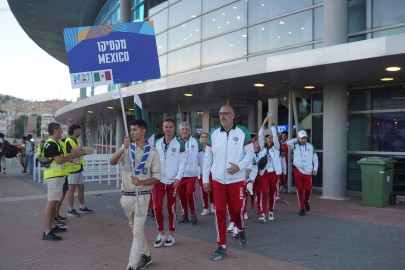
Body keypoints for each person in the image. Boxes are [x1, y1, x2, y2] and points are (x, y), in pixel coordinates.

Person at [203, 105, 254, 261]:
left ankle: (241, 228)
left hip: (236, 180)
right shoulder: (213, 133)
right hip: (218, 180)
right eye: (220, 114)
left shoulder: (243, 132)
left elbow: (250, 153)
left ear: (233, 116)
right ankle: (222, 246)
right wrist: (205, 179)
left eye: (226, 114)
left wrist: (239, 166)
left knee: (236, 210)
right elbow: (207, 157)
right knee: (219, 210)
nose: (222, 116)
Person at [110, 119, 161, 270]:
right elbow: (111, 162)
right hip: (126, 196)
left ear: (143, 131)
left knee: (137, 230)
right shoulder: (126, 148)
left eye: (134, 130)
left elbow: (157, 178)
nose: (131, 133)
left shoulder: (153, 153)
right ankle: (146, 254)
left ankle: (131, 265)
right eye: (130, 130)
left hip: (142, 196)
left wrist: (142, 183)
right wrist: (123, 148)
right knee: (134, 228)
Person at [41, 122, 81, 241]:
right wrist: (72, 156)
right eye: (59, 130)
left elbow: (63, 158)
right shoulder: (51, 144)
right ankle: (47, 231)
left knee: (54, 202)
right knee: (51, 203)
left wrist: (71, 157)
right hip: (53, 177)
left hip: (58, 176)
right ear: (54, 131)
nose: (61, 132)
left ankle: (52, 226)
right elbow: (59, 160)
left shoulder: (57, 143)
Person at [153, 118, 185, 248]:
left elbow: (183, 162)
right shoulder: (157, 143)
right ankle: (160, 233)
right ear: (163, 128)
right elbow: (154, 160)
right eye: (166, 127)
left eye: (170, 127)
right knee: (157, 207)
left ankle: (171, 235)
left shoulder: (179, 144)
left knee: (171, 208)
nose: (168, 129)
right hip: (159, 180)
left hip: (172, 181)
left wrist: (178, 177)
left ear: (174, 129)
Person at [286, 130, 319, 216]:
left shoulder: (310, 146)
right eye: (302, 138)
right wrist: (295, 139)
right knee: (299, 189)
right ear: (299, 138)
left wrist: (315, 169)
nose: (304, 140)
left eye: (305, 138)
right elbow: (288, 143)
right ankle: (302, 208)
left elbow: (315, 158)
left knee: (308, 189)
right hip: (297, 169)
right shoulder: (295, 145)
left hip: (308, 171)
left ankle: (306, 201)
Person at [177, 122, 203, 225]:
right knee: (181, 196)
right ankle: (185, 216)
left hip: (192, 174)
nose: (185, 131)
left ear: (190, 131)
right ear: (179, 131)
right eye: (183, 129)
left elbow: (201, 158)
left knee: (189, 193)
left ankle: (193, 214)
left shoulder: (196, 141)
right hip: (179, 175)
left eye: (187, 129)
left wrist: (201, 173)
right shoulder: (175, 142)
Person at [257, 115, 282, 222]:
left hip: (274, 174)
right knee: (265, 193)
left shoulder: (276, 148)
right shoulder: (262, 148)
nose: (269, 139)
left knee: (272, 193)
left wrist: (271, 123)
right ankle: (263, 214)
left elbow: (276, 136)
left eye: (271, 137)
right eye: (267, 137)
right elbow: (259, 134)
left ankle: (271, 212)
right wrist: (264, 122)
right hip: (264, 173)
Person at [65, 124, 93, 217]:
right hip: (72, 168)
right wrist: (83, 152)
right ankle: (70, 209)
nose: (80, 132)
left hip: (79, 167)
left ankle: (82, 207)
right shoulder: (69, 141)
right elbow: (71, 155)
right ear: (74, 131)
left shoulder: (76, 140)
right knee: (71, 189)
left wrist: (81, 151)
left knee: (81, 187)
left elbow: (78, 152)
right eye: (78, 130)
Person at [197, 132, 214, 215]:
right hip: (201, 174)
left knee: (211, 190)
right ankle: (205, 208)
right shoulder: (198, 149)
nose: (204, 138)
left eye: (205, 137)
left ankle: (212, 206)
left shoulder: (211, 148)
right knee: (203, 191)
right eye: (202, 137)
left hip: (210, 173)